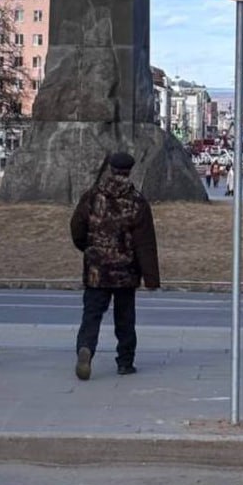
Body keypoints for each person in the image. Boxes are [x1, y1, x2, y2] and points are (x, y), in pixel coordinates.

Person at [70, 151, 160, 379]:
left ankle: (86, 349)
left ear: (110, 169)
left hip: (96, 270)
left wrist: (88, 249)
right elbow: (145, 243)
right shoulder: (137, 202)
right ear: (129, 172)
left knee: (91, 315)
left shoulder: (92, 197)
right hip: (125, 272)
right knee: (125, 318)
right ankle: (125, 362)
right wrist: (151, 278)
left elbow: (77, 227)